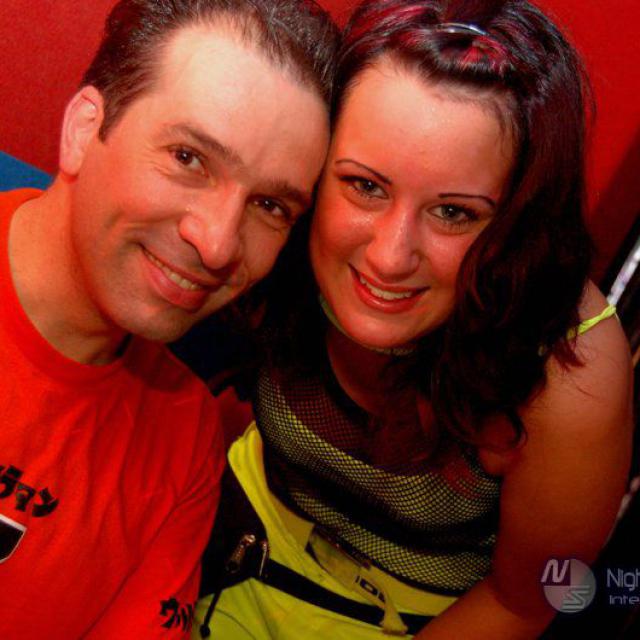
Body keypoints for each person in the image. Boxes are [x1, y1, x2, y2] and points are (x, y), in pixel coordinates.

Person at [195, 0, 634, 638]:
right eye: (365, 186)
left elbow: (528, 599)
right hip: (226, 543)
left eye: (453, 213)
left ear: (517, 226)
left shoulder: (568, 367)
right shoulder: (269, 223)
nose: (389, 256)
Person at [0, 0, 338, 637]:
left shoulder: (183, 446)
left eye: (269, 205)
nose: (218, 243)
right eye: (189, 158)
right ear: (84, 130)